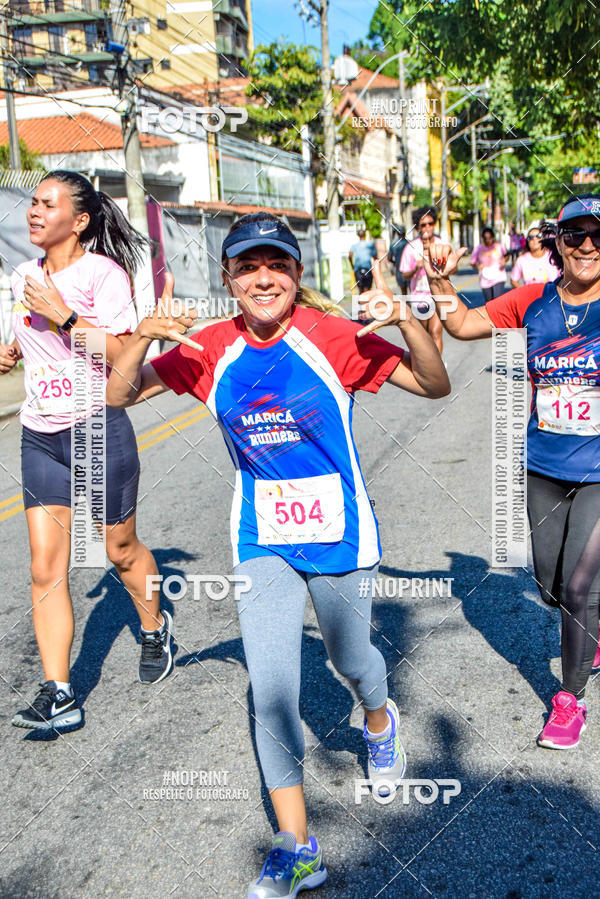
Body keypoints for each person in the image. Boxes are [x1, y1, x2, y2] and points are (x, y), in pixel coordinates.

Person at [106, 212, 450, 897]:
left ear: (296, 274)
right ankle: (297, 845)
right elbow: (118, 394)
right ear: (229, 278)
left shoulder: (335, 337)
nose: (263, 278)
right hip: (261, 538)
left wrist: (408, 320)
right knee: (271, 689)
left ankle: (379, 719)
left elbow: (434, 384)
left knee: (351, 659)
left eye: (277, 265)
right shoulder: (208, 347)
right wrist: (143, 333)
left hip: (341, 534)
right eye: (248, 267)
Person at [423, 193, 600, 751]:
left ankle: (569, 700)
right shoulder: (534, 300)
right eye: (575, 234)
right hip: (543, 465)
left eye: (598, 235)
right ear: (557, 243)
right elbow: (463, 324)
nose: (588, 245)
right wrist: (440, 282)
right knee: (551, 586)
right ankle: (591, 625)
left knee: (580, 587)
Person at [0, 170, 174, 731]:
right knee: (45, 566)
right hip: (40, 434)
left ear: (78, 221)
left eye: (47, 204)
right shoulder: (22, 276)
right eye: (32, 201)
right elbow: (26, 341)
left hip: (97, 428)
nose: (34, 212)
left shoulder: (104, 274)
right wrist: (9, 353)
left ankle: (154, 628)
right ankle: (60, 693)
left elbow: (125, 355)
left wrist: (65, 315)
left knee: (119, 549)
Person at [399, 205, 444, 354]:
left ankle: (438, 365)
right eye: (423, 225)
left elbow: (453, 269)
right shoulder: (411, 247)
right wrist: (416, 268)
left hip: (438, 296)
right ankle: (427, 364)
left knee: (436, 332)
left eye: (430, 223)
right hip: (419, 298)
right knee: (424, 336)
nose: (427, 227)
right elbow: (404, 275)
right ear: (418, 227)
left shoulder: (441, 244)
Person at [470, 226, 508, 301]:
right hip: (485, 278)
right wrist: (477, 266)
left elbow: (507, 255)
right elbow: (472, 262)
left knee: (497, 300)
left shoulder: (499, 245)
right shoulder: (478, 248)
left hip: (498, 276)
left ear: (493, 237)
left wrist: (504, 260)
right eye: (485, 238)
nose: (487, 240)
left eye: (489, 238)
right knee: (489, 302)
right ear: (482, 238)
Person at [349, 227, 377, 293]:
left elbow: (350, 256)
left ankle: (362, 298)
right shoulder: (370, 245)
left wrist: (352, 265)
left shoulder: (354, 246)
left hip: (358, 270)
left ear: (358, 236)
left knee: (360, 290)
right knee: (367, 290)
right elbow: (375, 257)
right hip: (368, 269)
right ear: (365, 235)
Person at [388, 223, 409, 294]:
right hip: (409, 269)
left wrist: (395, 262)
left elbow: (389, 258)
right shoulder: (409, 243)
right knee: (412, 290)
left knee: (403, 292)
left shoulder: (393, 244)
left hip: (399, 270)